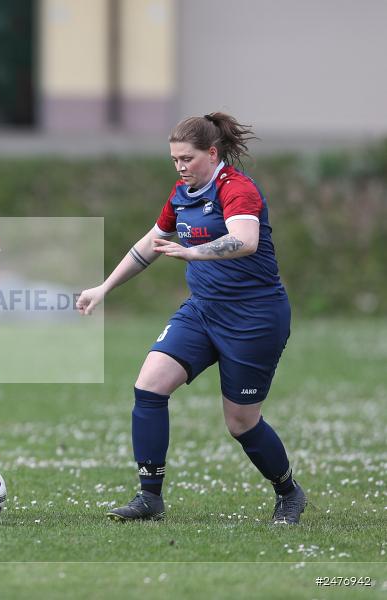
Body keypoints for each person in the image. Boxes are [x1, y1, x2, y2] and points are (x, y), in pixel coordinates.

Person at [76, 112, 306, 525]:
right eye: (174, 160)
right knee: (149, 385)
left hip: (254, 319)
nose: (180, 167)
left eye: (187, 158)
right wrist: (104, 288)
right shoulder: (183, 192)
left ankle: (289, 493)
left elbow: (246, 240)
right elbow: (151, 243)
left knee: (240, 423)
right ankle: (150, 497)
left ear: (212, 153)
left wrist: (195, 252)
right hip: (202, 311)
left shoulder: (237, 189)